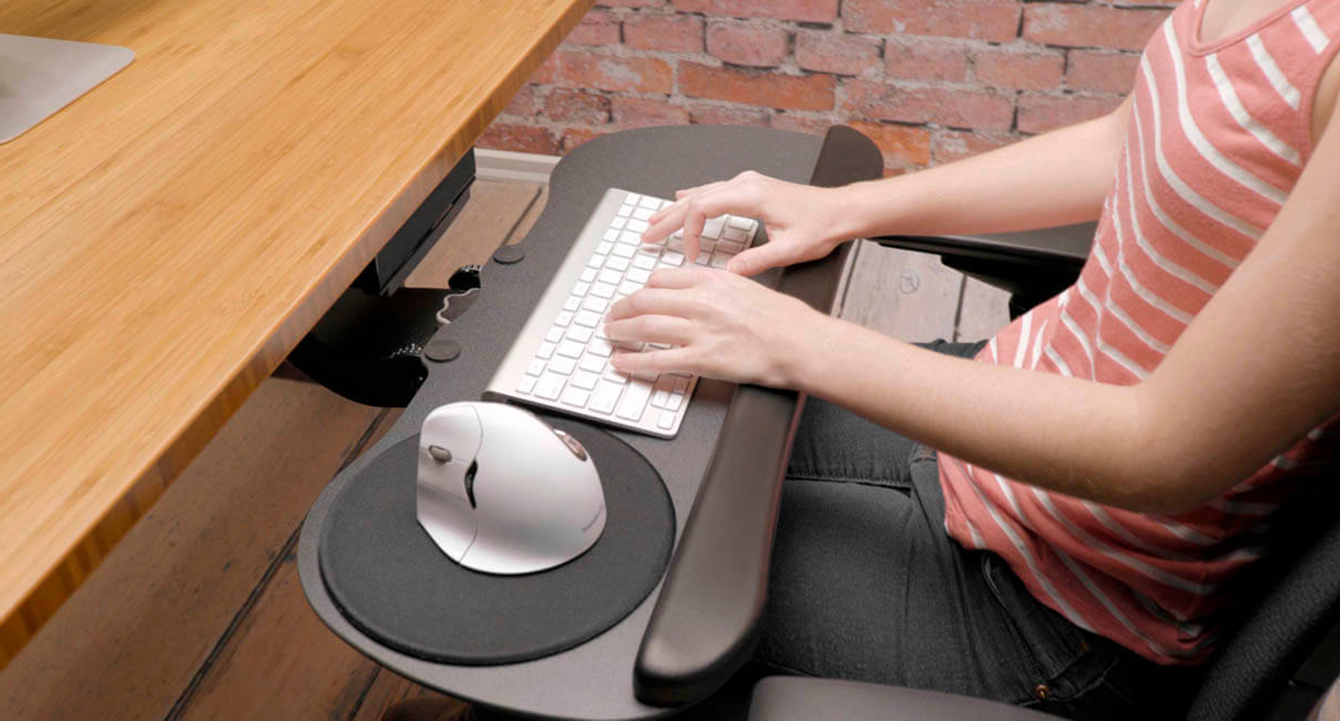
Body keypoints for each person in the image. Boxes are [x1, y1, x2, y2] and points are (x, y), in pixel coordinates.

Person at [602, 0, 1340, 717]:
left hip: (1065, 602)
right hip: (1000, 412)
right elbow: (1126, 140)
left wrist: (796, 338)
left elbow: (1165, 444)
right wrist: (852, 206)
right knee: (669, 438)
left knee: (635, 559)